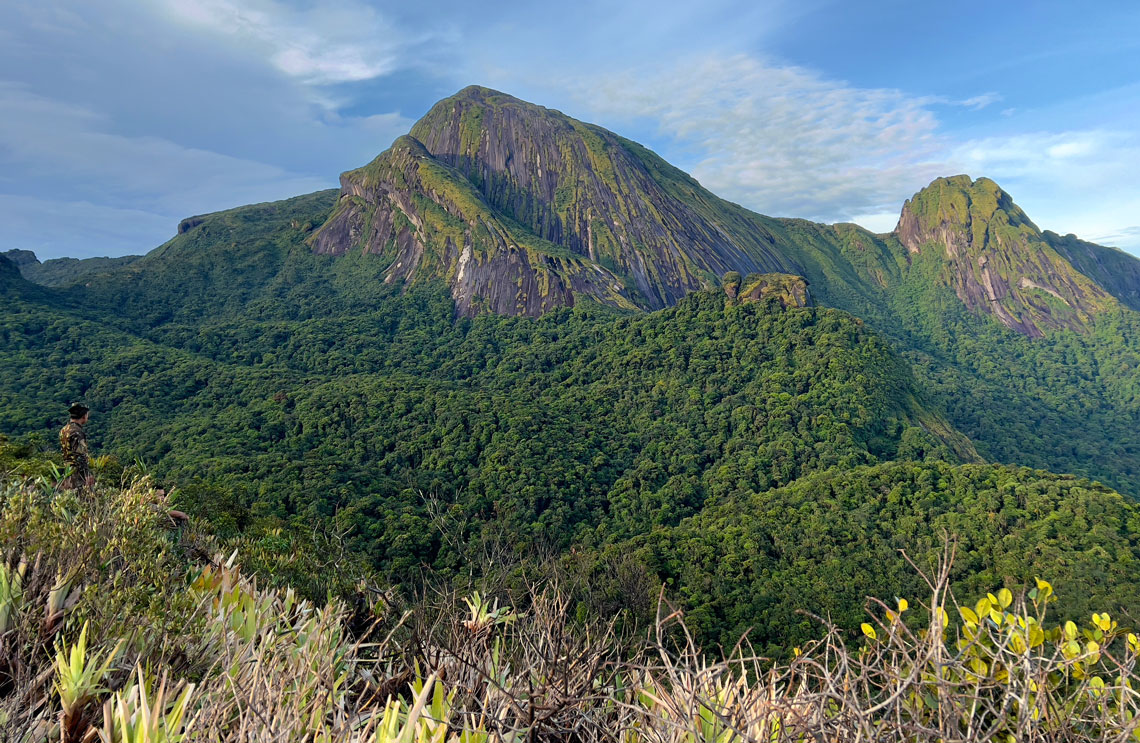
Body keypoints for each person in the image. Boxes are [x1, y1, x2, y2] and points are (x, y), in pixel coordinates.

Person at [59, 403, 95, 492]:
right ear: (83, 416)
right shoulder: (77, 432)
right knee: (82, 498)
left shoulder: (64, 429)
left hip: (66, 470)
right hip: (77, 473)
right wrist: (87, 474)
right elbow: (80, 455)